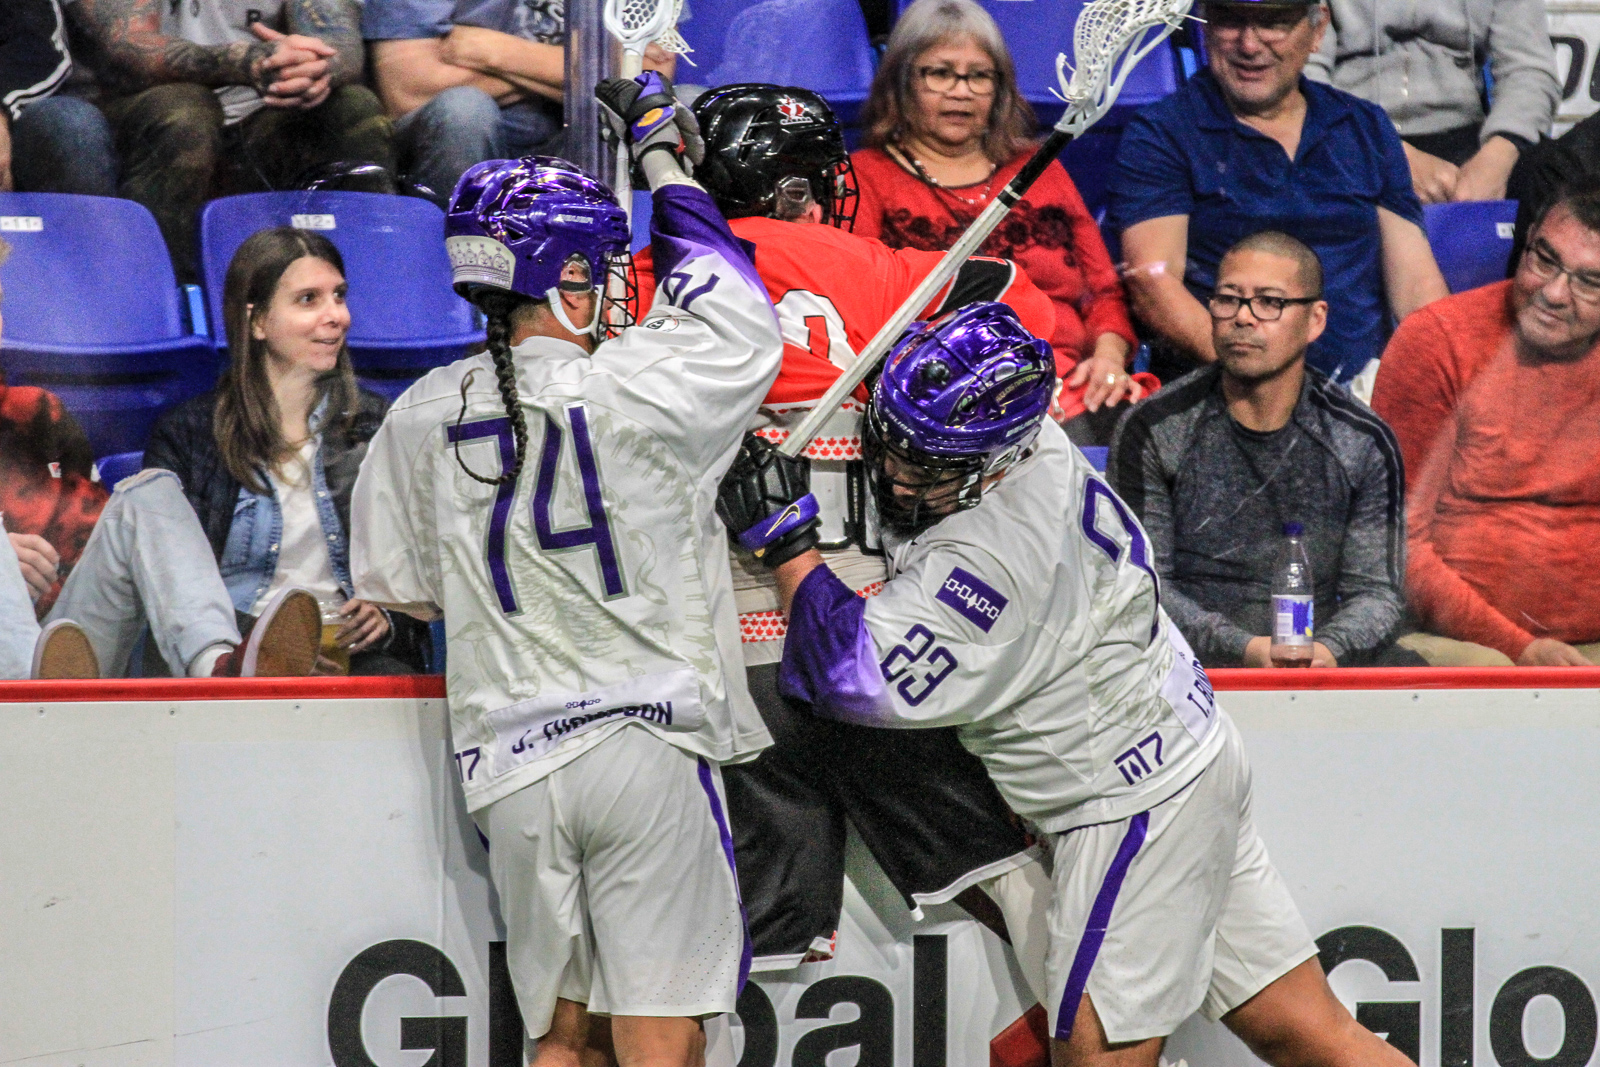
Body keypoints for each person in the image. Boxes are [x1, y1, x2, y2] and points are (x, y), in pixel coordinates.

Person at [716, 299, 1414, 1067]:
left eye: (928, 465)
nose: (896, 473)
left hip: (1130, 806)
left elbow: (844, 672)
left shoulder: (992, 560)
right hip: (1189, 757)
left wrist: (788, 545)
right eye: (894, 444)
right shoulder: (1029, 435)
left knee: (1095, 1055)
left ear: (995, 462)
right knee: (1305, 1030)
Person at [350, 74, 781, 1062]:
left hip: (511, 764)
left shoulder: (417, 412)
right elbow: (738, 314)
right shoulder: (639, 386)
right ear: (568, 278)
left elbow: (403, 586)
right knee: (660, 1029)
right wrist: (662, 152)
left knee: (561, 1034)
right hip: (644, 739)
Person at [632, 82, 1056, 977]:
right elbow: (1026, 312)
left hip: (719, 656)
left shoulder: (647, 274)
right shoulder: (870, 264)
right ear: (795, 187)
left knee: (745, 958)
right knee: (1014, 890)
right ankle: (1086, 1025)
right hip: (869, 632)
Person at [0, 237, 322, 680]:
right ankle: (24, 701)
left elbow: (96, 555)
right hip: (13, 695)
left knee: (150, 492)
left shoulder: (38, 414)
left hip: (63, 660)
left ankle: (217, 670)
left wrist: (38, 578)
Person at [1108, 231, 1417, 668]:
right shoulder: (1153, 428)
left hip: (1321, 663)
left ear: (1315, 320)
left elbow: (1378, 594)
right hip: (1182, 667)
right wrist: (1246, 650)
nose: (1243, 317)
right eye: (1228, 299)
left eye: (1269, 302)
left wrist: (1328, 652)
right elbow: (1143, 588)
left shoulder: (1362, 439)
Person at [1109, 0, 1449, 394]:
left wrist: (1447, 376)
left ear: (1317, 29)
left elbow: (1416, 289)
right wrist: (1274, 387)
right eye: (1231, 21)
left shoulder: (1365, 126)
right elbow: (1154, 285)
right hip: (1223, 393)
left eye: (1273, 24)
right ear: (1205, 27)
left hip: (1362, 396)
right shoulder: (1161, 132)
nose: (1249, 45)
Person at [849, 0, 1147, 444]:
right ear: (901, 82)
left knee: (1144, 432)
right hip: (942, 392)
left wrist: (1107, 357)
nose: (961, 91)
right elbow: (858, 311)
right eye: (940, 73)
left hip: (1067, 384)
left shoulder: (1040, 168)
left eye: (979, 76)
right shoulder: (865, 177)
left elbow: (1102, 292)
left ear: (1000, 89)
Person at [145, 227, 423, 676]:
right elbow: (174, 588)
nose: (336, 316)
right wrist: (268, 645)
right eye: (308, 300)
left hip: (352, 656)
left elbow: (421, 557)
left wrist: (391, 613)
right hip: (236, 656)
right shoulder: (188, 435)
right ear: (256, 321)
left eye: (339, 296)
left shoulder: (376, 424)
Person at [1372, 186, 1600, 667]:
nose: (1553, 293)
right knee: (1489, 673)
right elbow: (1394, 540)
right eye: (1545, 260)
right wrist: (1520, 648)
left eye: (1589, 282)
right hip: (1466, 642)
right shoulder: (1437, 341)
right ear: (1527, 240)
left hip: (1589, 650)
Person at [69, 0, 394, 280]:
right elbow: (128, 47)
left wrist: (313, 66)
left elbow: (339, 40)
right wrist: (245, 60)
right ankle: (160, 299)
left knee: (353, 107)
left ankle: (375, 289)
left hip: (262, 115)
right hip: (137, 114)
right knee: (187, 113)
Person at [363, 0, 675, 205]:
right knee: (464, 111)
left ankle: (623, 266)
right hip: (459, 147)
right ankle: (458, 268)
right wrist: (582, 67)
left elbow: (648, 82)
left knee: (673, 109)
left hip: (578, 140)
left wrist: (494, 52)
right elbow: (407, 91)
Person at [1306, 0, 1559, 205]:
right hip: (1353, 130)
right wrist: (1389, 156)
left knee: (1551, 176)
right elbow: (1305, 70)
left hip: (1464, 137)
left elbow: (1529, 69)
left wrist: (1497, 158)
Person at [1, 0, 117, 195]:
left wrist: (1, 110)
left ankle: (81, 215)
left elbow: (38, 46)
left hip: (16, 115)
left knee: (72, 123)